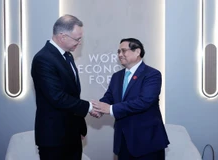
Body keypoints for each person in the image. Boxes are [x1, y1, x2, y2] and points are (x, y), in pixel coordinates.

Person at [31, 14, 98, 160]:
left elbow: (72, 95)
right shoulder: (43, 59)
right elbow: (57, 97)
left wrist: (79, 126)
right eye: (77, 39)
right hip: (54, 138)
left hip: (72, 135)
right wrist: (90, 107)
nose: (79, 43)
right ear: (62, 36)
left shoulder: (67, 56)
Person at [92, 38, 170, 160]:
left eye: (123, 51)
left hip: (147, 142)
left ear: (137, 51)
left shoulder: (152, 74)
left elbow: (144, 102)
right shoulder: (117, 76)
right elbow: (109, 97)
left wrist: (111, 109)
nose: (120, 55)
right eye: (118, 52)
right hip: (123, 141)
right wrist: (98, 108)